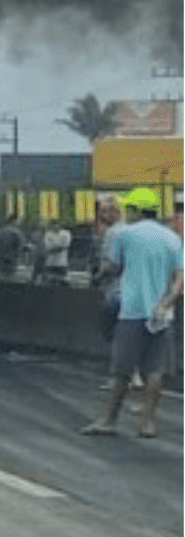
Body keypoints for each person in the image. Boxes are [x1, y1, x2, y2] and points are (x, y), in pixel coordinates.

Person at [80, 187, 182, 438]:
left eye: (129, 208)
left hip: (132, 310)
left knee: (122, 371)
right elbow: (180, 276)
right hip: (162, 314)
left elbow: (112, 267)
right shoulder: (172, 239)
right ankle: (148, 423)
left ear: (136, 210)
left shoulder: (124, 235)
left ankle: (108, 420)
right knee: (155, 371)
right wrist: (167, 302)